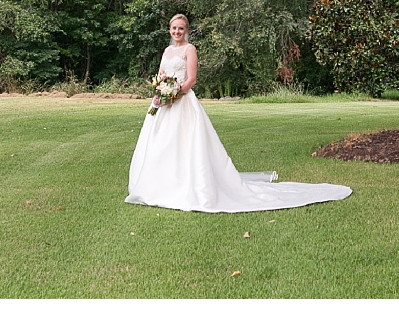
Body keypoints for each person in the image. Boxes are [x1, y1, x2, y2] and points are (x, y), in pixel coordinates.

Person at [125, 15, 351, 213]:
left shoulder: (189, 49)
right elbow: (162, 74)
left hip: (182, 102)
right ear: (169, 30)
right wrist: (160, 92)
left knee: (185, 145)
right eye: (174, 28)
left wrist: (175, 92)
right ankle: (161, 185)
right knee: (161, 144)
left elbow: (192, 79)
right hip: (164, 104)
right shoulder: (167, 50)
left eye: (181, 29)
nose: (177, 32)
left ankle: (189, 185)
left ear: (187, 30)